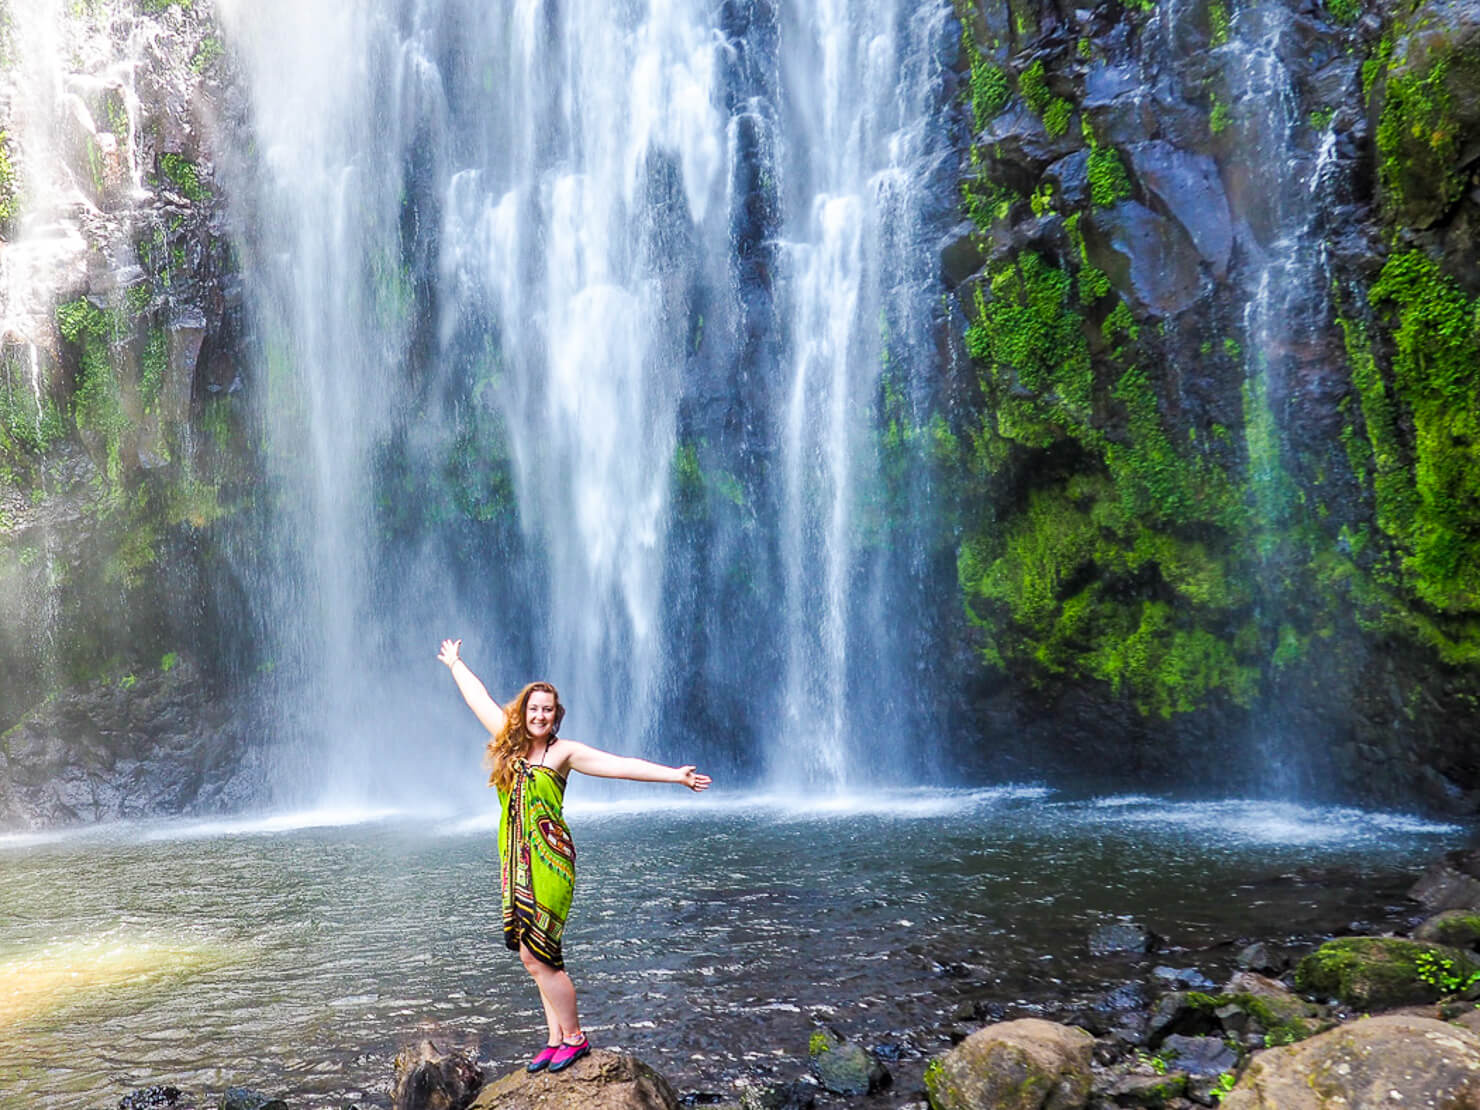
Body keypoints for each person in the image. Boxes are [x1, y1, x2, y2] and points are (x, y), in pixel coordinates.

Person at [437, 638, 711, 1074]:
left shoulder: (563, 753)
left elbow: (620, 765)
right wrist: (455, 664)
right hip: (515, 863)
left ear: (555, 714)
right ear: (523, 712)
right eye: (533, 709)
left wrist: (674, 777)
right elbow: (478, 697)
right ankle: (554, 1039)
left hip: (551, 862)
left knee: (540, 955)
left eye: (547, 709)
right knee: (534, 956)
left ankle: (576, 1038)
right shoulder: (508, 746)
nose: (540, 715)